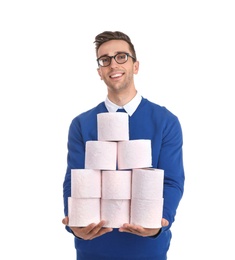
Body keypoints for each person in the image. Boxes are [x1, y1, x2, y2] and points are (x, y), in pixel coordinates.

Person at [62, 31, 185, 260]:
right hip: (93, 248)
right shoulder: (82, 124)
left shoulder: (165, 121)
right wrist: (74, 223)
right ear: (100, 72)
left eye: (121, 56)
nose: (113, 64)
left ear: (135, 66)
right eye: (105, 60)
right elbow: (74, 180)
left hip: (147, 249)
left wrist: (160, 223)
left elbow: (172, 181)